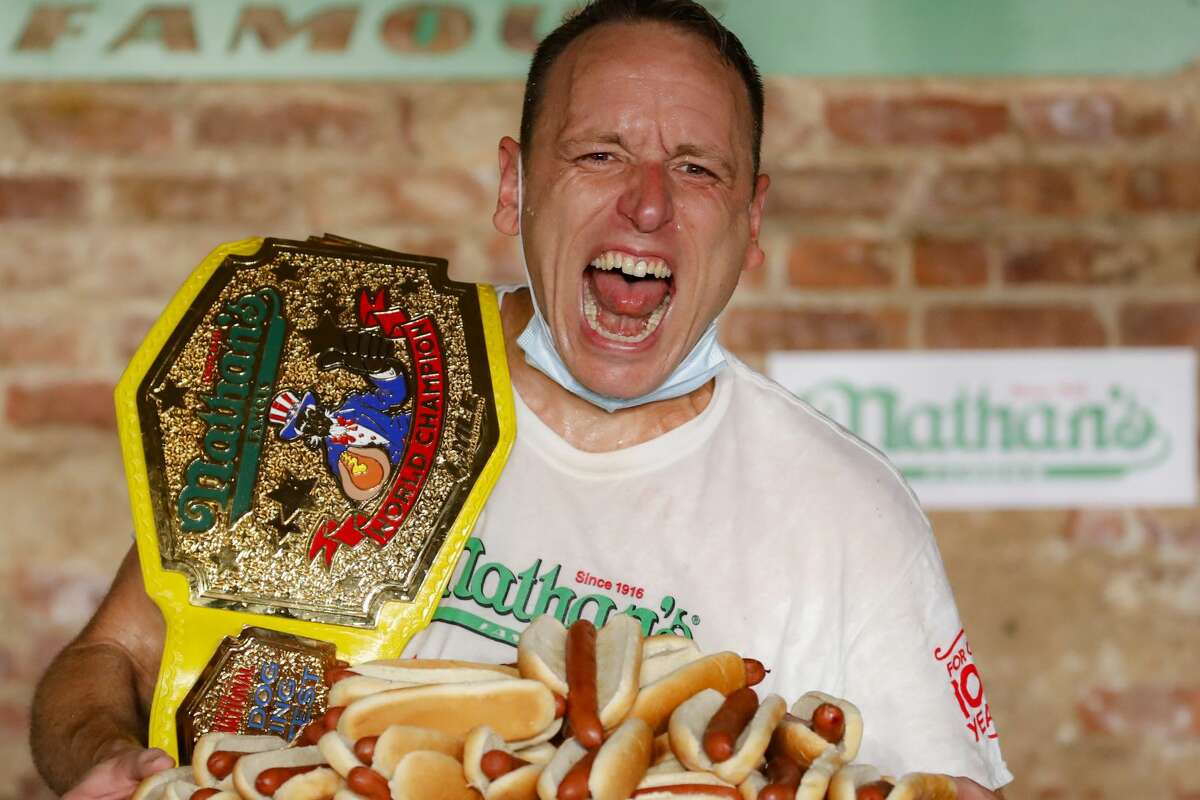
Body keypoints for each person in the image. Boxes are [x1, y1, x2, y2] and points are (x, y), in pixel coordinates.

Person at [30, 1, 1011, 797]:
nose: (649, 203)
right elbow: (112, 651)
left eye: (697, 168)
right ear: (514, 186)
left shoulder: (845, 511)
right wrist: (106, 758)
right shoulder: (346, 373)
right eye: (600, 154)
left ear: (751, 219)